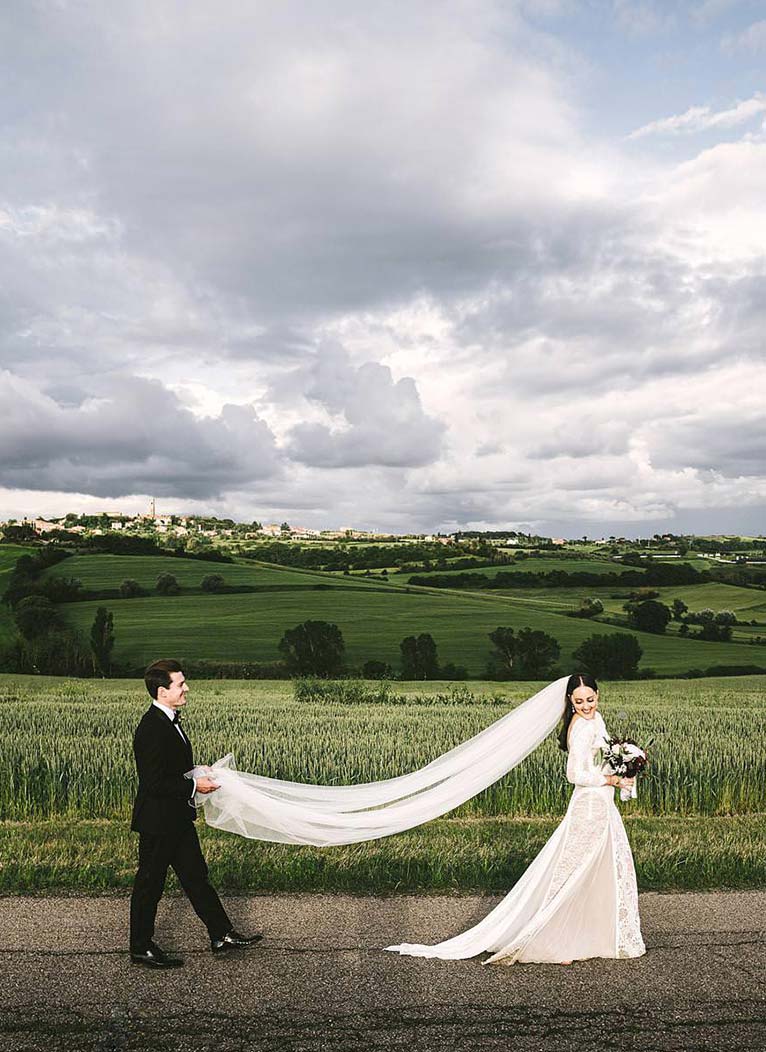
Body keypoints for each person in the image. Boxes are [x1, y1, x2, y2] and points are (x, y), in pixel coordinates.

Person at [385, 673, 646, 964]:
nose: (586, 705)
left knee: (595, 868)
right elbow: (575, 774)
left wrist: (626, 765)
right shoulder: (581, 728)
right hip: (588, 806)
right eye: (579, 701)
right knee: (572, 871)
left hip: (601, 803)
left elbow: (601, 758)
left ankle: (582, 936)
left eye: (591, 699)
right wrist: (611, 780)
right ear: (570, 702)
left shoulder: (596, 721)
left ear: (598, 695)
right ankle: (551, 942)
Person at [129, 658, 262, 968]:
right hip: (158, 822)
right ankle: (140, 947)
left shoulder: (170, 720)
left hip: (177, 819)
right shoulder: (151, 728)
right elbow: (153, 782)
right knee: (150, 884)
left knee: (196, 878)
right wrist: (193, 787)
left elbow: (170, 771)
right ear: (163, 692)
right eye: (180, 684)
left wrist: (194, 772)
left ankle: (221, 934)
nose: (186, 687)